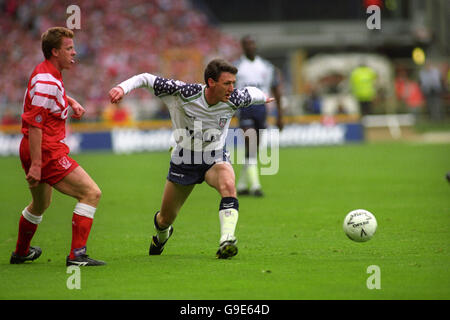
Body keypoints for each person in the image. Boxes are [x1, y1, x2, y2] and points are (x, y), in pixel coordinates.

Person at [109, 59, 274, 259]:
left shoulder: (235, 98)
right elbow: (146, 78)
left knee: (229, 186)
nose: (232, 88)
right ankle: (162, 236)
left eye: (233, 82)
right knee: (165, 218)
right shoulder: (183, 93)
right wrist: (121, 88)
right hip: (184, 159)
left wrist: (264, 97)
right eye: (227, 83)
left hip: (215, 157)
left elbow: (252, 93)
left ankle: (227, 239)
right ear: (211, 82)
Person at [10, 27, 105, 267]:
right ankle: (77, 256)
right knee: (91, 193)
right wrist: (37, 164)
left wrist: (70, 101)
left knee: (41, 204)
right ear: (55, 52)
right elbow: (34, 124)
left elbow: (43, 102)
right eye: (69, 48)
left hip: (36, 148)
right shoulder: (46, 81)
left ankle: (21, 252)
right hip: (45, 149)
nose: (74, 52)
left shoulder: (48, 73)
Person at [234, 35, 283, 197]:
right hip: (245, 108)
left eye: (252, 43)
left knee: (253, 149)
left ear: (256, 46)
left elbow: (276, 90)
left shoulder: (267, 67)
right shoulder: (236, 67)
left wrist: (280, 115)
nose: (250, 46)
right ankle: (255, 186)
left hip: (262, 109)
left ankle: (241, 185)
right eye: (247, 44)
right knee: (251, 143)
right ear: (243, 47)